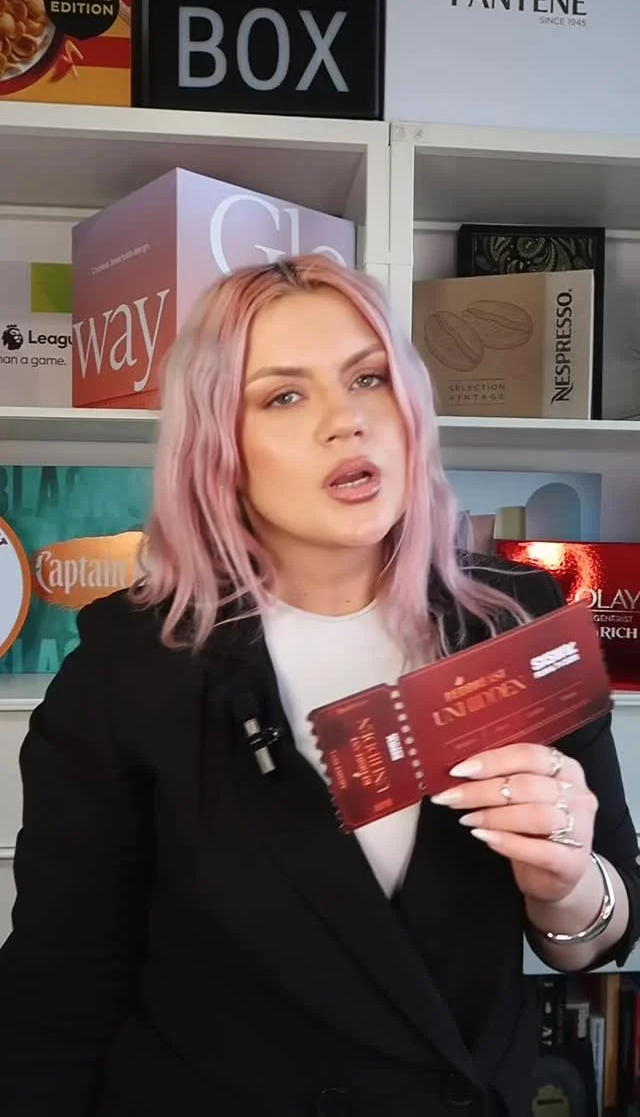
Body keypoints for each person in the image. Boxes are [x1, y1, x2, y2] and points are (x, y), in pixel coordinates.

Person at [0, 254, 638, 1117]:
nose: (347, 421)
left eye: (368, 378)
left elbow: (602, 929)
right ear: (220, 449)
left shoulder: (518, 620)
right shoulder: (126, 670)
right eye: (284, 396)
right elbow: (55, 1003)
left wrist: (567, 887)